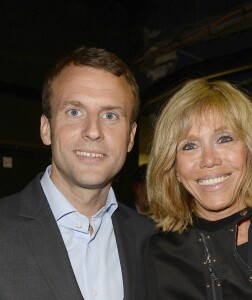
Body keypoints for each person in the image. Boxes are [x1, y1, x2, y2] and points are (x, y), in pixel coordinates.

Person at [0, 46, 154, 300]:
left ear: (131, 137)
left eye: (110, 115)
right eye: (74, 112)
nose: (93, 131)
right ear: (46, 128)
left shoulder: (151, 240)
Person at [144, 78, 252, 300]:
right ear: (174, 166)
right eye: (189, 146)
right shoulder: (153, 256)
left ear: (251, 150)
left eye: (224, 139)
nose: (209, 160)